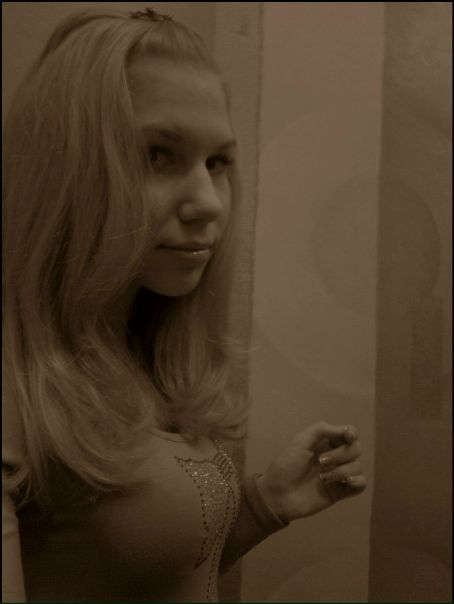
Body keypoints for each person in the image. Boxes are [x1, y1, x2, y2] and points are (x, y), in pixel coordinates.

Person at [2, 7, 366, 603]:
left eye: (217, 162)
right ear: (64, 170)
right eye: (157, 155)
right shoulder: (17, 387)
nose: (210, 203)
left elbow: (135, 575)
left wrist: (265, 504)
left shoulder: (140, 349)